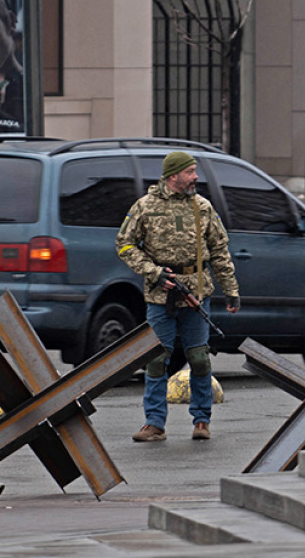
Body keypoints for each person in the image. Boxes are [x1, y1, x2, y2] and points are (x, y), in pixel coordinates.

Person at [116, 152, 240, 442]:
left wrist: (231, 289)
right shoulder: (145, 207)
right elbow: (125, 244)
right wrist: (152, 271)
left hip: (197, 292)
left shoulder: (203, 207)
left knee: (199, 358)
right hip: (161, 295)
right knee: (157, 359)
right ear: (173, 176)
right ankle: (155, 423)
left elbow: (220, 252)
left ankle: (201, 421)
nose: (196, 177)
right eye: (190, 172)